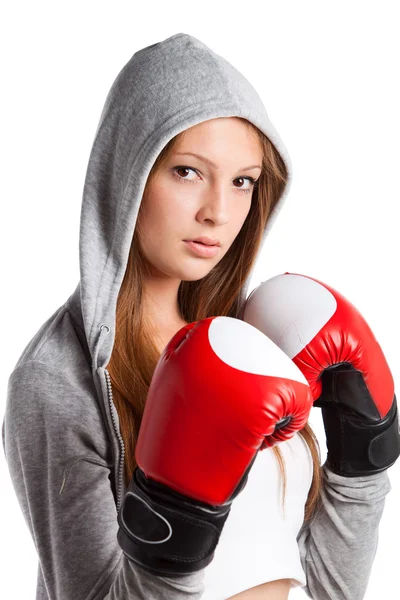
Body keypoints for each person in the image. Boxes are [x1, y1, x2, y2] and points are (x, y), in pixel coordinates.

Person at [1, 32, 394, 600]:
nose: (218, 212)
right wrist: (177, 522)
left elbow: (329, 588)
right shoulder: (59, 380)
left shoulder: (250, 340)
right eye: (188, 171)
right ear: (128, 173)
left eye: (242, 182)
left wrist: (361, 469)